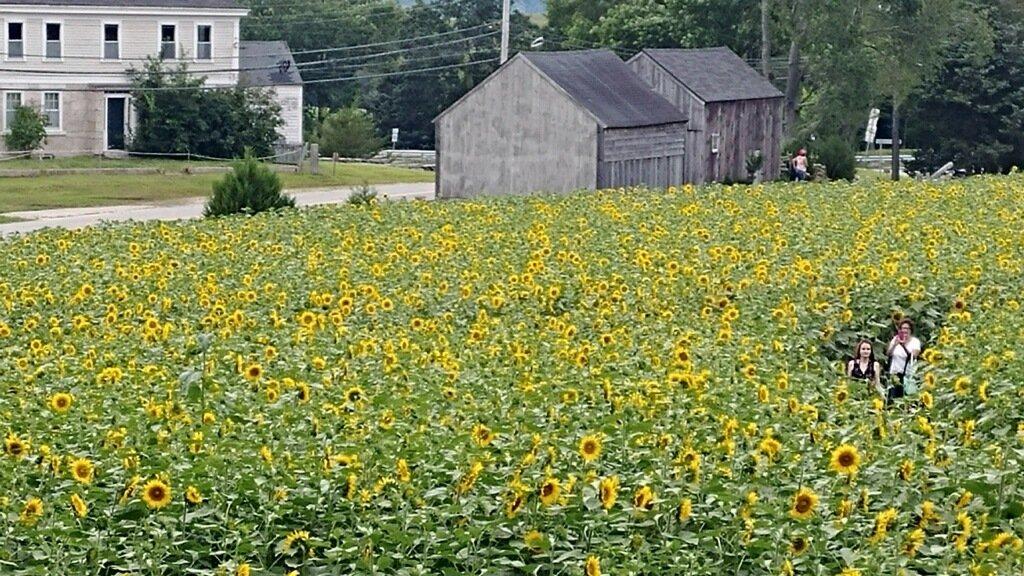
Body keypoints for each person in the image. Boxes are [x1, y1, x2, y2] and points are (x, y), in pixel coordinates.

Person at [886, 318, 922, 402]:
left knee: (906, 399)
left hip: (907, 375)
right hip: (894, 373)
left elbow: (913, 355)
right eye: (902, 328)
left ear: (911, 330)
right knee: (893, 398)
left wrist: (903, 345)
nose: (904, 330)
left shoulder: (915, 342)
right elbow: (888, 353)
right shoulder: (895, 339)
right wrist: (895, 345)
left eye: (907, 328)